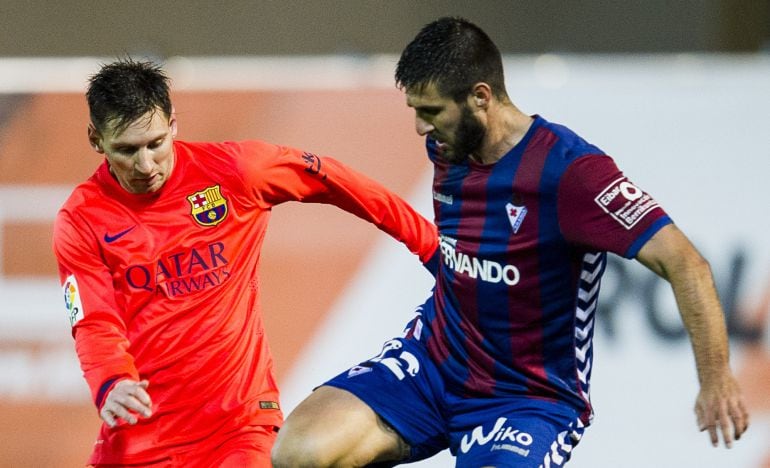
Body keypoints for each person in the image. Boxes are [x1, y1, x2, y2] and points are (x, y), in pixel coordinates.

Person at [272, 16, 750, 467]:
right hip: (435, 362)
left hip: (527, 398)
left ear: (481, 97)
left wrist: (716, 379)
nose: (421, 128)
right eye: (416, 112)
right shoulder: (447, 147)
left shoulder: (572, 173)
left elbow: (687, 263)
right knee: (301, 452)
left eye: (432, 111)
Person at [52, 58, 438, 466]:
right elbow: (94, 321)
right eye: (127, 150)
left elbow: (338, 182)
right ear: (96, 139)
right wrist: (111, 381)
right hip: (140, 437)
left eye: (155, 144)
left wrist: (433, 250)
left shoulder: (235, 172)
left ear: (174, 125)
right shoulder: (81, 219)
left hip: (239, 428)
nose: (146, 165)